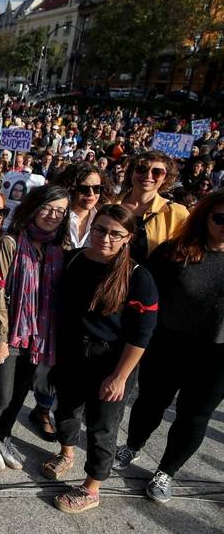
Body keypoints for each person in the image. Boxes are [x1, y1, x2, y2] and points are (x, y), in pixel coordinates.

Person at [43, 204, 158, 514]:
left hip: (110, 360)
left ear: (128, 237)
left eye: (115, 233)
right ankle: (66, 453)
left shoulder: (138, 276)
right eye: (100, 229)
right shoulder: (75, 259)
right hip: (71, 353)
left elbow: (142, 335)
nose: (105, 237)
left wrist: (120, 377)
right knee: (66, 408)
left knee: (102, 425)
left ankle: (92, 487)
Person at [113, 191, 224, 503]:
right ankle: (132, 445)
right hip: (169, 344)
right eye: (220, 217)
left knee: (195, 416)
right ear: (205, 217)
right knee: (150, 402)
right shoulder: (175, 251)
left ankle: (167, 471)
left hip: (217, 355)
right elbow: (145, 294)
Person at [0, 185, 69, 471]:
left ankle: (4, 436)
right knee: (3, 393)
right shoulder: (12, 242)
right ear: (33, 207)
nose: (53, 215)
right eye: (48, 208)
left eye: (60, 211)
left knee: (20, 393)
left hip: (38, 335)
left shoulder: (58, 247)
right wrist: (3, 339)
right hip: (9, 332)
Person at [117, 151, 188, 263]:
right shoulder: (110, 205)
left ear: (165, 178)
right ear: (131, 172)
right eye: (141, 169)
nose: (148, 175)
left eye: (157, 172)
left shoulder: (176, 213)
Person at [54, 162, 103, 249]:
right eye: (83, 189)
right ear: (70, 188)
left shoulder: (103, 219)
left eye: (96, 188)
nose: (91, 194)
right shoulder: (54, 216)